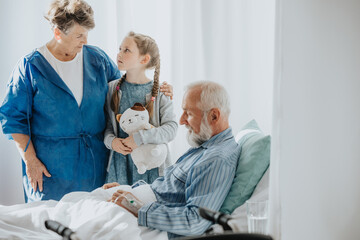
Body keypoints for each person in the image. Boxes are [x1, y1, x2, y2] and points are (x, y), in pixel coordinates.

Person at [0, 0, 172, 203]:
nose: (85, 40)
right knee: (51, 227)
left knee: (94, 223)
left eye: (87, 33)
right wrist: (30, 160)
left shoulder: (97, 59)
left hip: (96, 166)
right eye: (79, 35)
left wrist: (158, 90)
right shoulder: (30, 67)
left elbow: (124, 92)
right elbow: (13, 119)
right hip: (51, 170)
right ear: (58, 33)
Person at [104, 81, 239, 239]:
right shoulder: (205, 145)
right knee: (76, 202)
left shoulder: (218, 159)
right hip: (143, 205)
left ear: (214, 116)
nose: (181, 121)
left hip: (146, 218)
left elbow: (195, 221)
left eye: (188, 113)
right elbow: (170, 190)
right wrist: (129, 190)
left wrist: (136, 206)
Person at [104, 31, 178, 185]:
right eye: (119, 49)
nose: (119, 54)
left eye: (127, 50)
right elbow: (108, 127)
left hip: (153, 165)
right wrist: (112, 142)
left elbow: (171, 128)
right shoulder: (111, 89)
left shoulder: (160, 92)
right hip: (120, 167)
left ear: (144, 59)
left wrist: (140, 138)